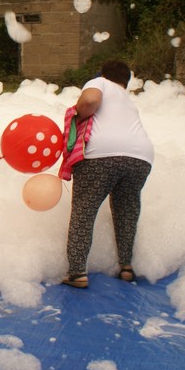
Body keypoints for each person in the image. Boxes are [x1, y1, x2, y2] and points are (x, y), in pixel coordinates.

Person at [62, 60, 154, 289]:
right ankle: (126, 266)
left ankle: (77, 273)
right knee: (126, 211)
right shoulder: (128, 101)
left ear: (104, 74)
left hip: (101, 155)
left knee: (84, 210)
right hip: (141, 157)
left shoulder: (99, 82)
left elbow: (90, 100)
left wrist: (80, 115)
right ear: (127, 82)